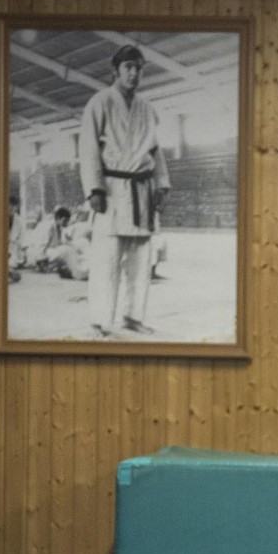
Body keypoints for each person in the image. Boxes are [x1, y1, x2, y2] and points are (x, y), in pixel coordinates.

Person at [78, 43, 171, 337]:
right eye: (128, 68)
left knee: (141, 262)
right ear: (115, 71)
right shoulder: (99, 102)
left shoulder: (147, 109)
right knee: (106, 261)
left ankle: (133, 317)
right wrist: (94, 188)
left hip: (141, 190)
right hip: (112, 190)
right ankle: (99, 320)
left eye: (138, 68)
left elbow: (156, 151)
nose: (134, 74)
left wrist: (162, 183)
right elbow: (89, 147)